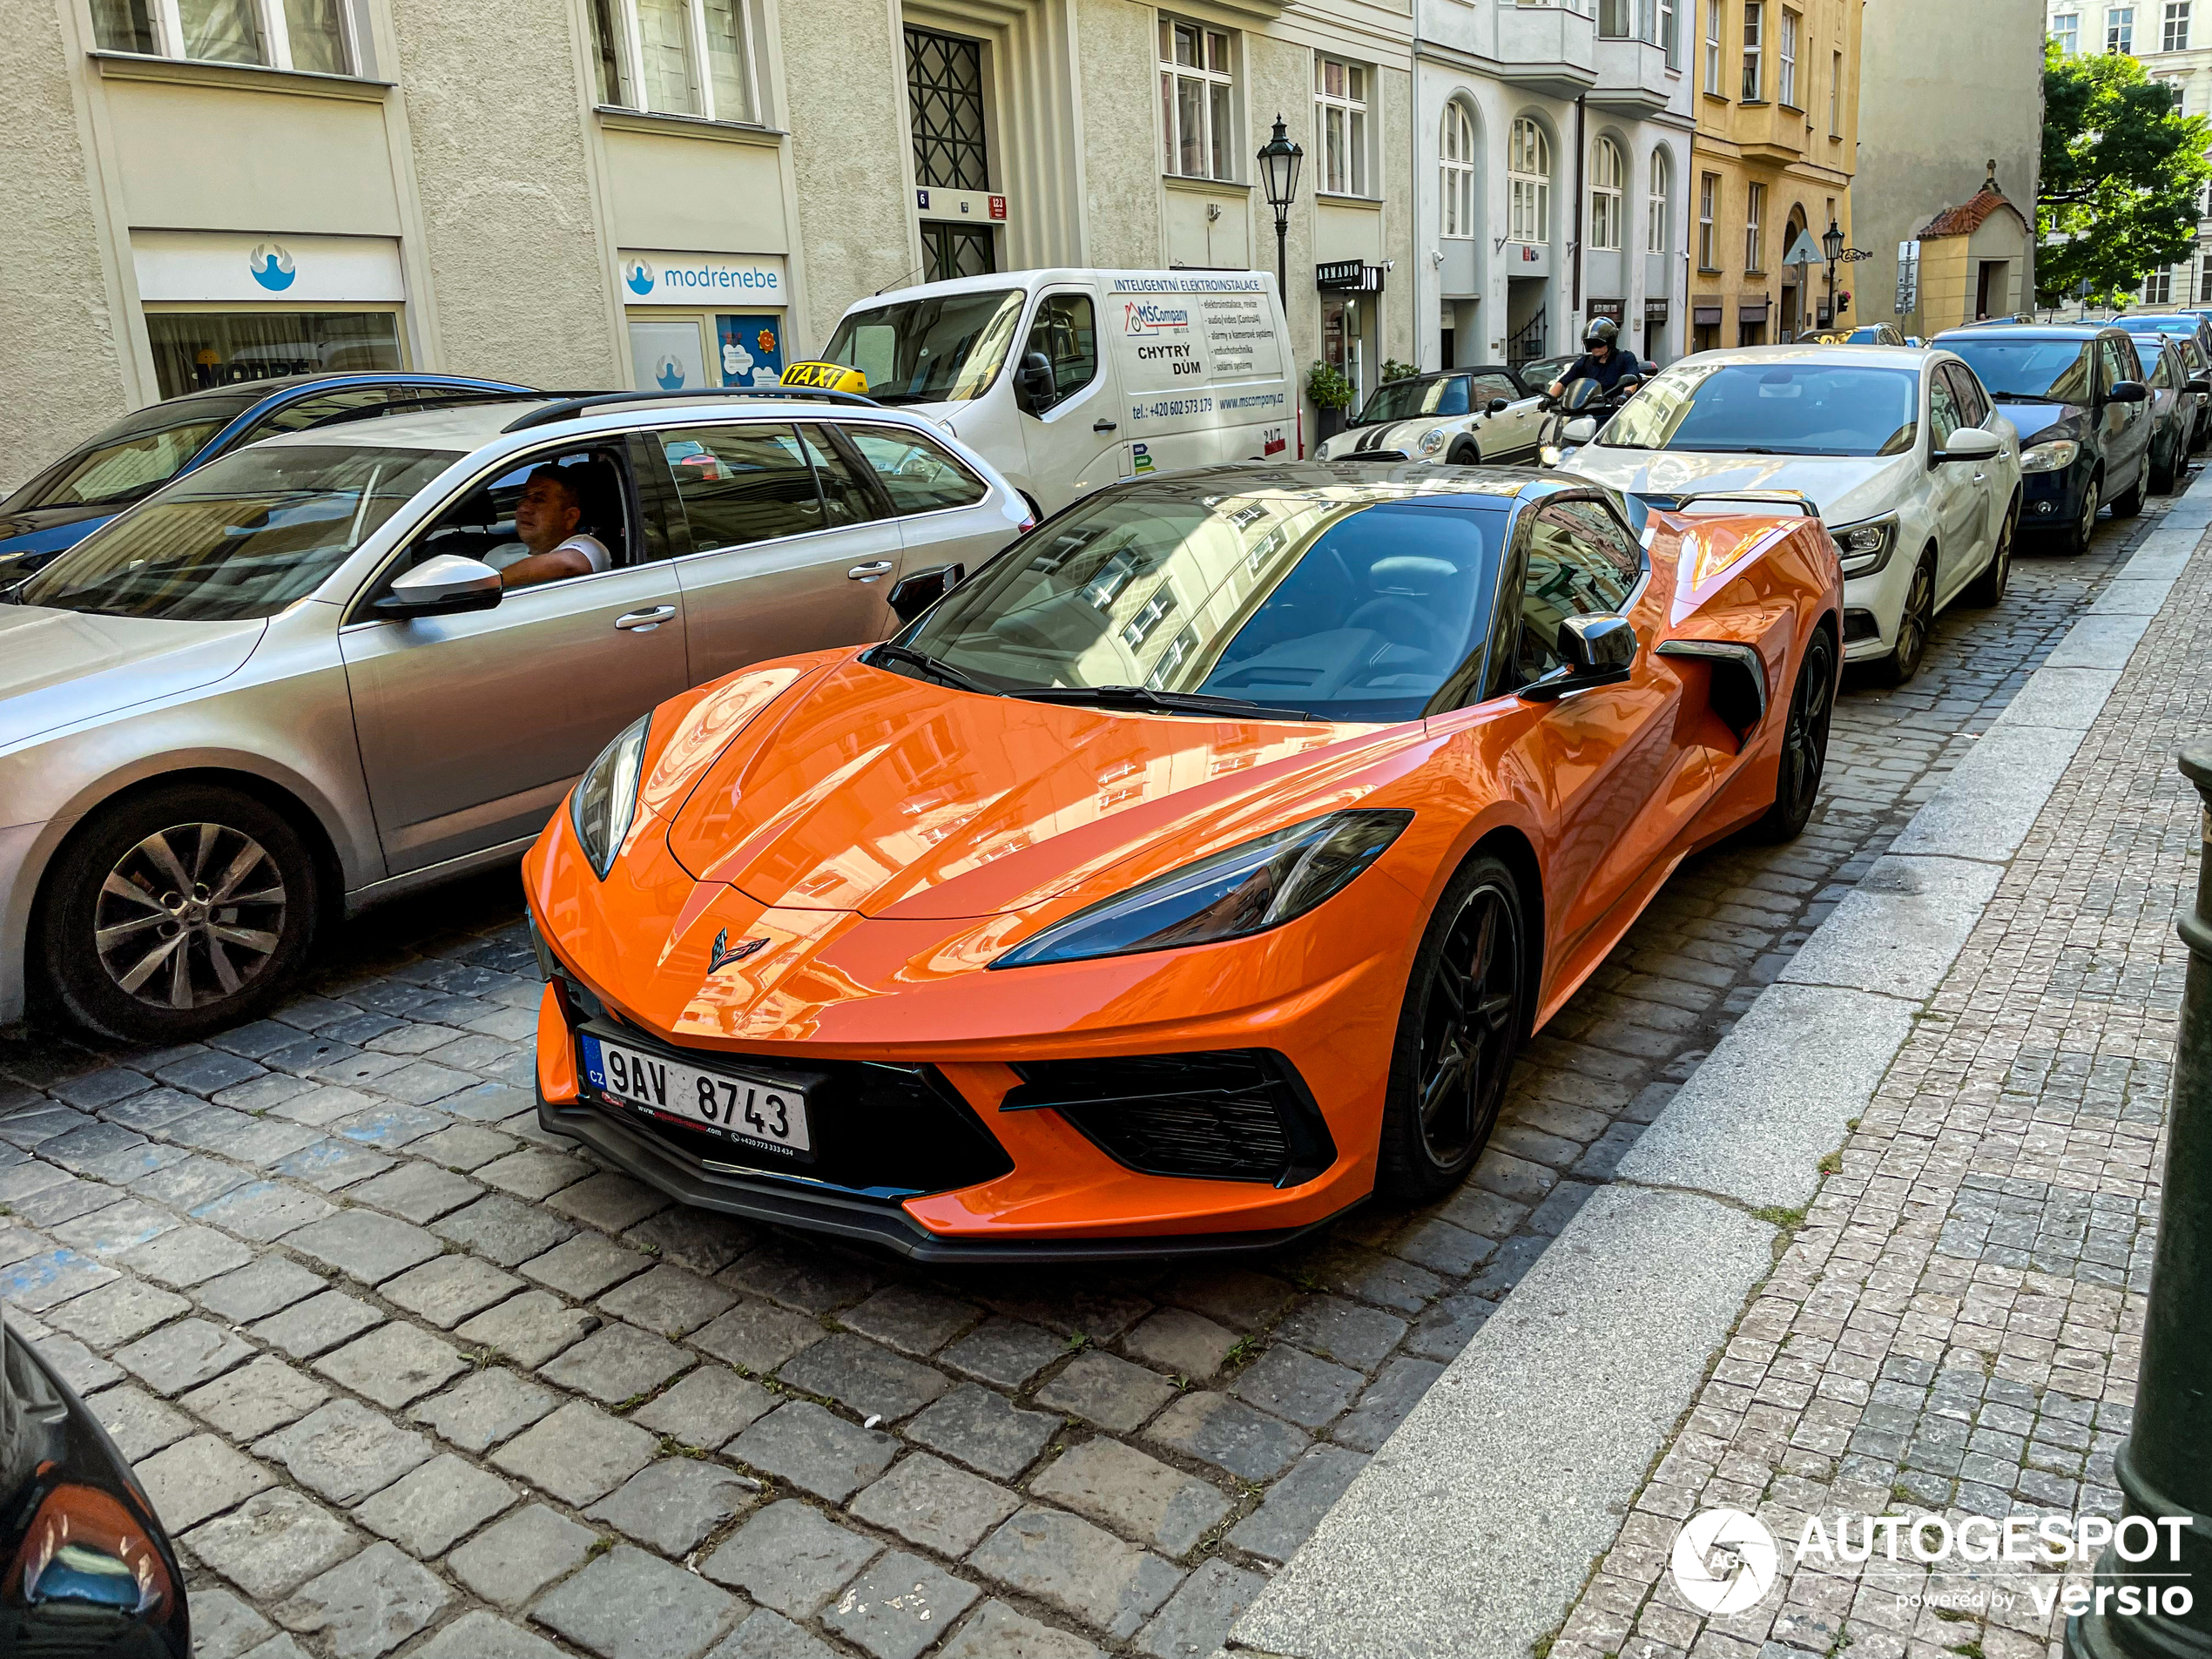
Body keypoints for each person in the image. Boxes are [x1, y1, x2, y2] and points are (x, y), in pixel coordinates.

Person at [487, 465, 610, 589]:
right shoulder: (499, 552)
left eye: (539, 500)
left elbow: (568, 564)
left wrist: (483, 585)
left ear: (569, 517)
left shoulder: (588, 547)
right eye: (524, 497)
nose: (523, 508)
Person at [1546, 316, 1643, 401]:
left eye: (1598, 344)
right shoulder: (1585, 362)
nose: (1594, 348)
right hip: (1586, 410)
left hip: (1614, 412)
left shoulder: (1625, 358)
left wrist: (1625, 395)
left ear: (1610, 342)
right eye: (1590, 344)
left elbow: (1632, 381)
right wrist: (1549, 398)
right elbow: (1563, 383)